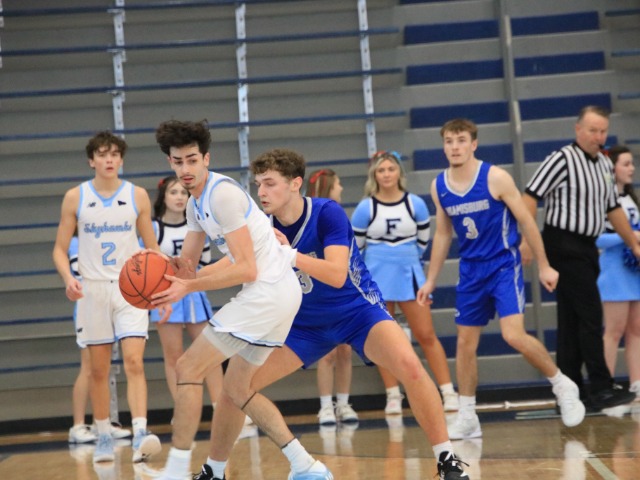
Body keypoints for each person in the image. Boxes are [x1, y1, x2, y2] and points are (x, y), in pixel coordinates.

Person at [193, 148, 470, 480]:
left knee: (410, 366)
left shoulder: (327, 213)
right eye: (258, 184)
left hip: (356, 312)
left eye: (269, 183)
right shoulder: (262, 226)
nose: (261, 192)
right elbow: (236, 263)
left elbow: (337, 275)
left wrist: (289, 254)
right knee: (235, 388)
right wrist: (188, 280)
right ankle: (214, 471)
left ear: (295, 183)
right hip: (302, 325)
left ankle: (447, 459)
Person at [150, 121, 326, 480]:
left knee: (187, 367)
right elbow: (188, 268)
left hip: (268, 291)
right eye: (178, 161)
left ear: (206, 159)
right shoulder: (195, 206)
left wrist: (187, 287)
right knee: (236, 389)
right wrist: (157, 272)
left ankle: (176, 470)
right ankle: (305, 466)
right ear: (170, 162)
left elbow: (246, 268)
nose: (185, 168)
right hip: (277, 292)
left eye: (192, 160)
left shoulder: (222, 196)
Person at [417, 118, 586, 440]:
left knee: (513, 335)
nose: (455, 147)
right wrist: (431, 280)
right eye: (449, 141)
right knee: (465, 343)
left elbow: (527, 221)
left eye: (461, 140)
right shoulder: (439, 186)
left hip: (503, 265)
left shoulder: (495, 177)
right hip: (471, 270)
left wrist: (545, 265)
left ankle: (562, 384)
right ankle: (468, 416)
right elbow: (442, 234)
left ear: (474, 144)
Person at [52, 131, 162, 464]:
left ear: (121, 159)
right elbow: (59, 250)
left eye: (114, 154)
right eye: (102, 154)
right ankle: (102, 434)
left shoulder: (137, 195)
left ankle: (140, 431)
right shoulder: (75, 197)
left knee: (134, 361)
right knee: (98, 370)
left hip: (130, 288)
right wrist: (69, 279)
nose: (109, 159)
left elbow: (152, 249)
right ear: (92, 160)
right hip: (93, 289)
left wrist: (161, 289)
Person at [522, 106, 639, 410]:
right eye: (592, 130)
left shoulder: (604, 164)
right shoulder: (561, 159)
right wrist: (526, 240)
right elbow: (530, 196)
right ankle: (601, 387)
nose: (598, 137)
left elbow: (613, 209)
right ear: (578, 129)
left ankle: (571, 391)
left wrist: (634, 244)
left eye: (603, 131)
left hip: (587, 247)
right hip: (562, 243)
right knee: (590, 315)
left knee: (571, 320)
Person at [352, 150, 458, 414]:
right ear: (374, 175)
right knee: (383, 340)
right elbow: (356, 248)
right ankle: (393, 395)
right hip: (376, 277)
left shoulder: (415, 204)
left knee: (426, 335)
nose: (387, 174)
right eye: (381, 170)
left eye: (391, 169)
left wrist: (405, 260)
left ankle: (448, 391)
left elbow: (422, 242)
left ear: (400, 172)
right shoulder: (366, 207)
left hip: (409, 275)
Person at [149, 175, 224, 408]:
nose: (179, 197)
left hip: (193, 292)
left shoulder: (197, 225)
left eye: (183, 192)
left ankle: (220, 407)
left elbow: (205, 264)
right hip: (164, 294)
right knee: (173, 356)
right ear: (163, 196)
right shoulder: (153, 228)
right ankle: (183, 409)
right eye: (173, 192)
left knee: (209, 352)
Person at [305, 168, 358, 425]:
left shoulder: (337, 216)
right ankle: (325, 406)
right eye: (338, 184)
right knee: (326, 353)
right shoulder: (313, 218)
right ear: (328, 187)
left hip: (343, 290)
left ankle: (344, 404)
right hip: (319, 291)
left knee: (345, 351)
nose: (342, 188)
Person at [67, 235, 132, 444]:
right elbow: (79, 272)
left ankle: (101, 422)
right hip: (89, 306)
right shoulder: (77, 241)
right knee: (88, 367)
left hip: (109, 304)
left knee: (103, 368)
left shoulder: (108, 235)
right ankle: (77, 425)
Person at [595, 145, 640, 398]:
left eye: (632, 163)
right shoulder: (603, 201)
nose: (631, 168)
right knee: (613, 331)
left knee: (637, 330)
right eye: (626, 164)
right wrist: (629, 236)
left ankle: (637, 382)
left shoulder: (631, 199)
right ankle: (606, 384)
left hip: (635, 272)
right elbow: (596, 238)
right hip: (614, 273)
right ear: (612, 169)